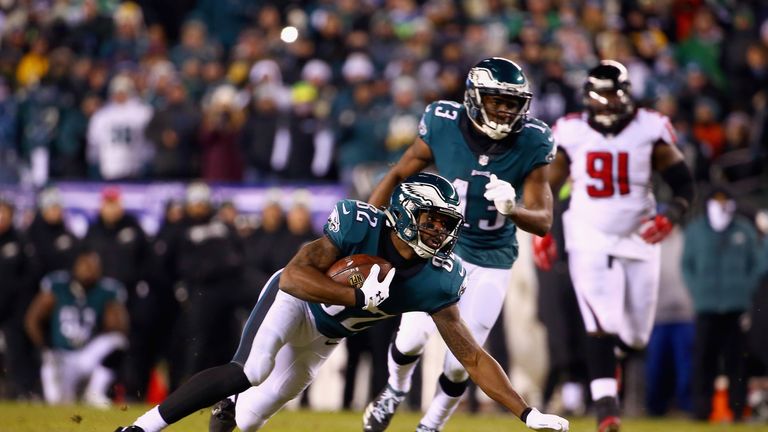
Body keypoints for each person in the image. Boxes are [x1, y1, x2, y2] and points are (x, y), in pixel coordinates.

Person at [114, 173, 569, 432]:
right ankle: (139, 428)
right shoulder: (358, 224)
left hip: (327, 337)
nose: (440, 233)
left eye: (446, 224)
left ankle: (225, 411)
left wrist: (527, 413)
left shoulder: (437, 278)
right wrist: (354, 294)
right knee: (250, 371)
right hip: (294, 301)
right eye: (432, 222)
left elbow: (470, 355)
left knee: (250, 416)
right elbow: (294, 275)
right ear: (408, 213)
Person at [363, 57, 556, 432]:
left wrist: (513, 209)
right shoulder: (442, 121)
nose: (504, 110)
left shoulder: (534, 140)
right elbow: (402, 170)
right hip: (437, 248)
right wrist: (367, 219)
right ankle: (394, 389)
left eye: (512, 103)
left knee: (461, 360)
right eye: (496, 100)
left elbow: (544, 221)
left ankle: (431, 425)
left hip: (492, 258)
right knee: (411, 338)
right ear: (473, 97)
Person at [543, 60, 695, 432]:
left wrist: (672, 215)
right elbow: (545, 188)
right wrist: (542, 231)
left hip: (639, 237)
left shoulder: (649, 127)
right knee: (601, 323)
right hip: (587, 235)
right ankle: (607, 411)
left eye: (615, 95)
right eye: (602, 95)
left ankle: (615, 363)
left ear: (627, 95)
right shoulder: (571, 131)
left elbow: (684, 185)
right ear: (588, 97)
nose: (609, 103)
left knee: (637, 334)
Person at [681, 187, 762, 421]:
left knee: (736, 362)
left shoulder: (744, 230)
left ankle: (737, 411)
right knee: (704, 361)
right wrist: (698, 291)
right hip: (706, 306)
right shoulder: (696, 231)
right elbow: (687, 265)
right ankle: (701, 411)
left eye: (725, 200)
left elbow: (755, 264)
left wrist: (744, 290)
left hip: (735, 307)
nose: (721, 204)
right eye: (716, 200)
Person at [24, 249, 129, 406]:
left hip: (87, 354)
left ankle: (95, 393)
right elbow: (32, 320)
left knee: (118, 341)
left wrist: (111, 314)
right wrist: (45, 348)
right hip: (61, 356)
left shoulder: (106, 291)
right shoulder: (59, 286)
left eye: (93, 266)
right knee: (58, 403)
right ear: (75, 266)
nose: (88, 270)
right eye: (85, 265)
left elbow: (120, 326)